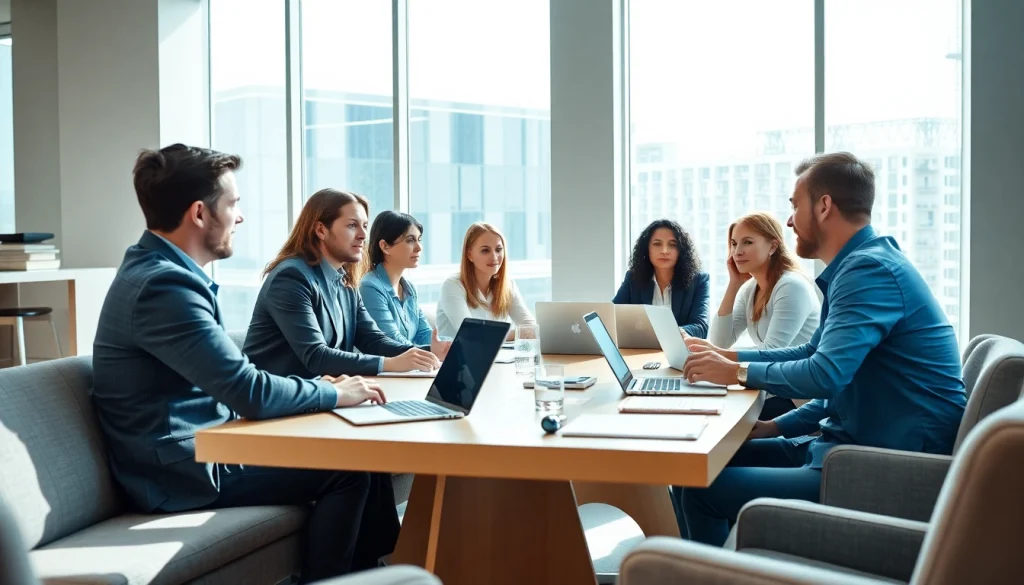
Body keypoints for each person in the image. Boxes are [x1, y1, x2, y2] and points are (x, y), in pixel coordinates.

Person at [92, 144, 396, 581]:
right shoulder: (165, 287)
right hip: (179, 472)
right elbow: (248, 389)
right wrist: (334, 391)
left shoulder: (161, 272)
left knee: (360, 454)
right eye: (233, 205)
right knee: (347, 470)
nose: (240, 217)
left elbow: (239, 383)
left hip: (210, 445)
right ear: (200, 213)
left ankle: (375, 571)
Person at [676, 152, 967, 546]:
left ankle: (715, 569)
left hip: (878, 467)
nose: (791, 219)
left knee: (700, 488)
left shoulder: (868, 271)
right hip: (844, 447)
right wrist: (735, 367)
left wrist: (736, 373)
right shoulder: (860, 265)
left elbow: (824, 375)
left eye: (795, 206)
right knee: (694, 465)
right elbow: (814, 356)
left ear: (825, 205)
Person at [244, 189, 447, 378]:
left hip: (326, 395)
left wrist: (428, 353)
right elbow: (316, 356)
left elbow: (372, 339)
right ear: (321, 230)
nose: (363, 235)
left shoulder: (345, 283)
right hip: (279, 406)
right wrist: (389, 364)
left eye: (365, 226)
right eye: (352, 225)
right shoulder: (290, 278)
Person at [708, 211, 821, 420]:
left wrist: (717, 355)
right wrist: (734, 284)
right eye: (734, 244)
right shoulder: (750, 288)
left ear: (773, 246)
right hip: (771, 387)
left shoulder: (791, 286)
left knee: (722, 419)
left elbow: (772, 351)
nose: (737, 251)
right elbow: (720, 342)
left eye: (747, 242)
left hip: (799, 399)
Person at [435, 222, 536, 339]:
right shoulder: (452, 285)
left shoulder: (507, 285)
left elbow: (530, 326)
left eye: (498, 250)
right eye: (485, 251)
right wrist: (518, 333)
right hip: (459, 356)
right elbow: (471, 333)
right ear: (469, 254)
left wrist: (506, 334)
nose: (494, 257)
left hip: (498, 356)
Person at [613, 219, 710, 338]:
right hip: (641, 352)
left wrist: (666, 333)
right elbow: (612, 317)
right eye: (657, 244)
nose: (664, 251)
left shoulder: (699, 280)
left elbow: (701, 328)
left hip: (683, 353)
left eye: (673, 244)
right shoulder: (633, 278)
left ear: (681, 251)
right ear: (647, 249)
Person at [359, 210, 435, 346]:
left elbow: (424, 333)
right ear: (385, 246)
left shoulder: (409, 288)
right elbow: (391, 340)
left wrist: (444, 347)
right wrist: (429, 354)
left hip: (410, 364)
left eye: (419, 240)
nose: (419, 248)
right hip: (386, 366)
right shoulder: (370, 286)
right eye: (410, 240)